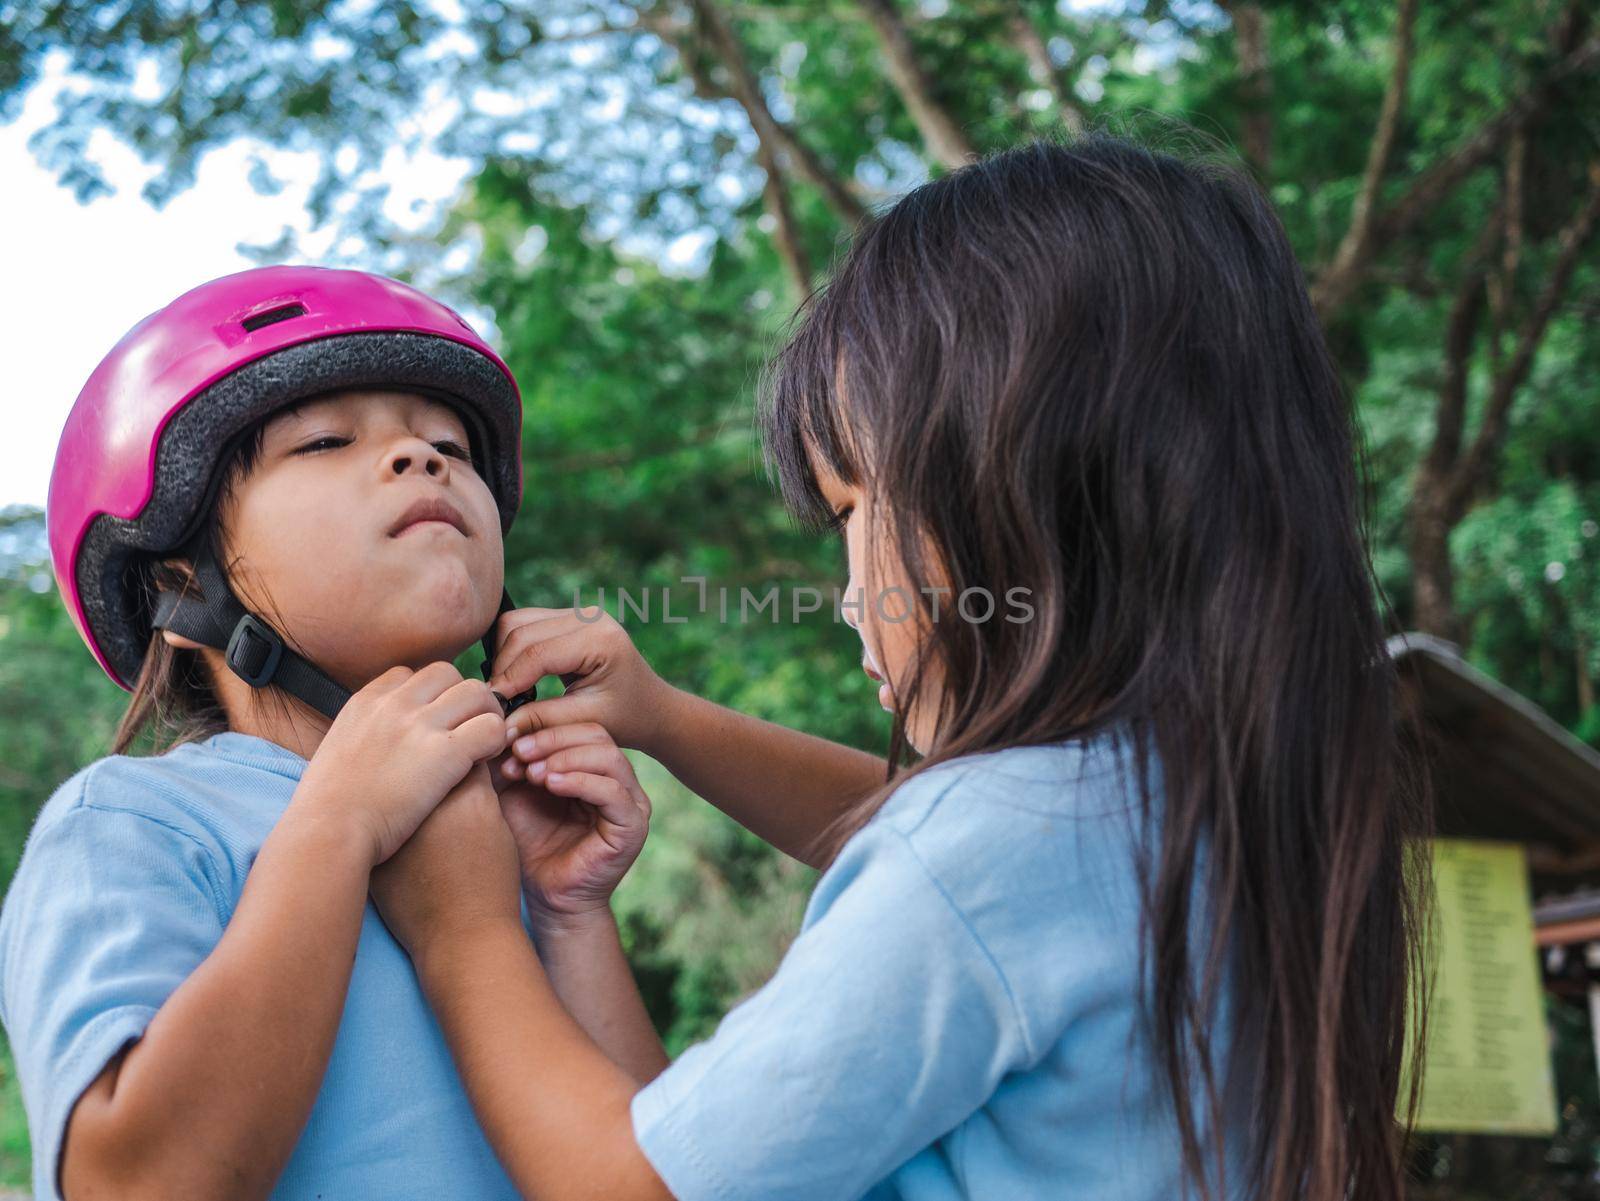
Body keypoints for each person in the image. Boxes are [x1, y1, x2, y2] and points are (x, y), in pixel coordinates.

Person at [372, 134, 1431, 1201]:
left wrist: (462, 933)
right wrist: (666, 722)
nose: (845, 592)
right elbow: (941, 841)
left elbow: (627, 1185)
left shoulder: (993, 844)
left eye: (848, 510)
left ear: (1021, 481)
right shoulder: (1244, 809)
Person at [0, 265, 646, 1201]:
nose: (423, 460)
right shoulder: (137, 820)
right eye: (326, 440)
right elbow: (133, 1183)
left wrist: (569, 914)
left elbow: (657, 1172)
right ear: (178, 589)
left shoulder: (511, 822)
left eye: (449, 444)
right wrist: (338, 824)